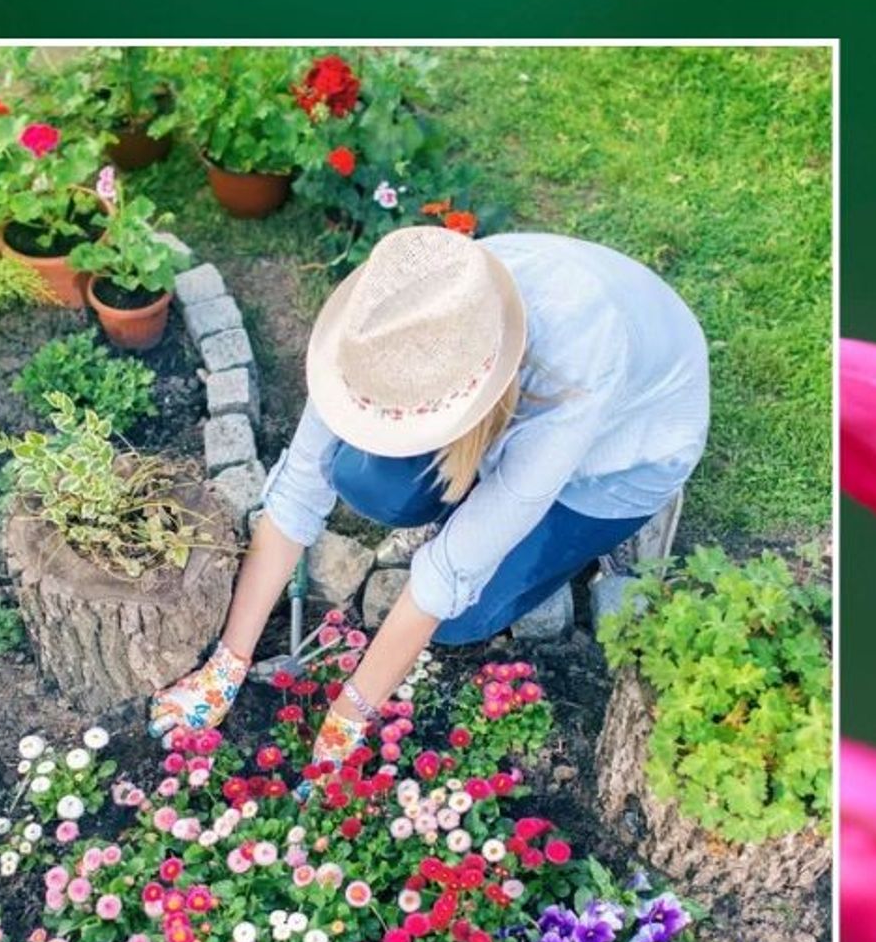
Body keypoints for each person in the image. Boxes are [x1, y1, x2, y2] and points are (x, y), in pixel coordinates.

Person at [147, 225, 709, 765]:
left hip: (616, 462)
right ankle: (472, 494)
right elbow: (298, 490)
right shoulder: (396, 320)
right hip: (496, 406)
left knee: (464, 619)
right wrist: (228, 662)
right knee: (366, 479)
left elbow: (446, 578)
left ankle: (594, 537)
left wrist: (348, 717)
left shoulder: (571, 379)